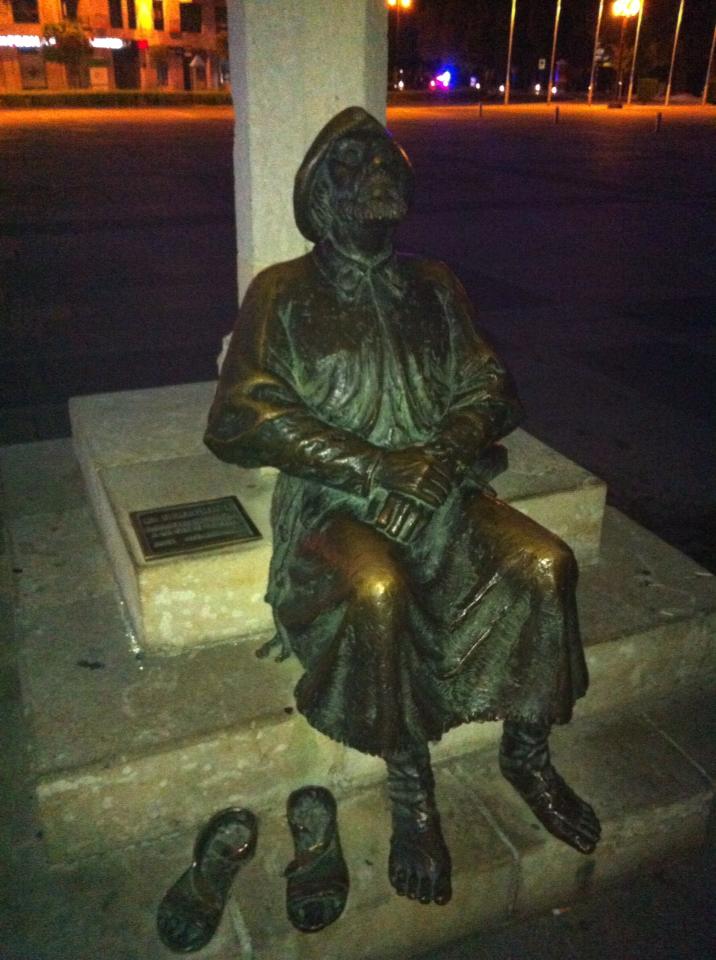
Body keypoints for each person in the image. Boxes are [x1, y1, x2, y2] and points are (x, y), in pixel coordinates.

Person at [205, 106, 600, 911]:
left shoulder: (435, 284)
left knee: (546, 563)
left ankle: (527, 751)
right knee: (376, 589)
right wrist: (379, 465)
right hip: (336, 507)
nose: (379, 170)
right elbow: (241, 416)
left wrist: (443, 457)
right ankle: (411, 787)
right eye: (353, 163)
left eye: (387, 159)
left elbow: (490, 387)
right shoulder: (281, 291)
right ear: (319, 194)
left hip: (446, 490)